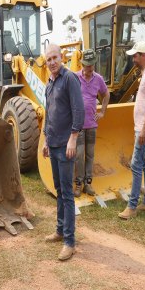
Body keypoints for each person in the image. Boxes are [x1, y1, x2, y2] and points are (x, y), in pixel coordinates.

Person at [42, 44, 85, 261]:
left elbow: (79, 109)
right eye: (48, 59)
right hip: (54, 144)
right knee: (59, 189)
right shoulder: (49, 84)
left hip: (66, 145)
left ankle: (70, 241)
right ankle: (60, 231)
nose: (51, 62)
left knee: (67, 194)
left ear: (62, 58)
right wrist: (45, 140)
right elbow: (49, 113)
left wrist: (73, 138)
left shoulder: (70, 79)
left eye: (54, 58)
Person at [118, 40, 145, 220]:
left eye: (135, 56)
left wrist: (144, 128)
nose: (133, 59)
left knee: (136, 165)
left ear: (143, 55)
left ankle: (132, 206)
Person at [74, 49, 110, 197]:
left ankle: (88, 184)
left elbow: (106, 94)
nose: (89, 68)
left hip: (92, 125)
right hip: (79, 125)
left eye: (91, 65)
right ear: (83, 64)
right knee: (79, 155)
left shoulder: (98, 79)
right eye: (87, 65)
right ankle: (78, 184)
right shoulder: (75, 78)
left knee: (90, 155)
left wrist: (102, 112)